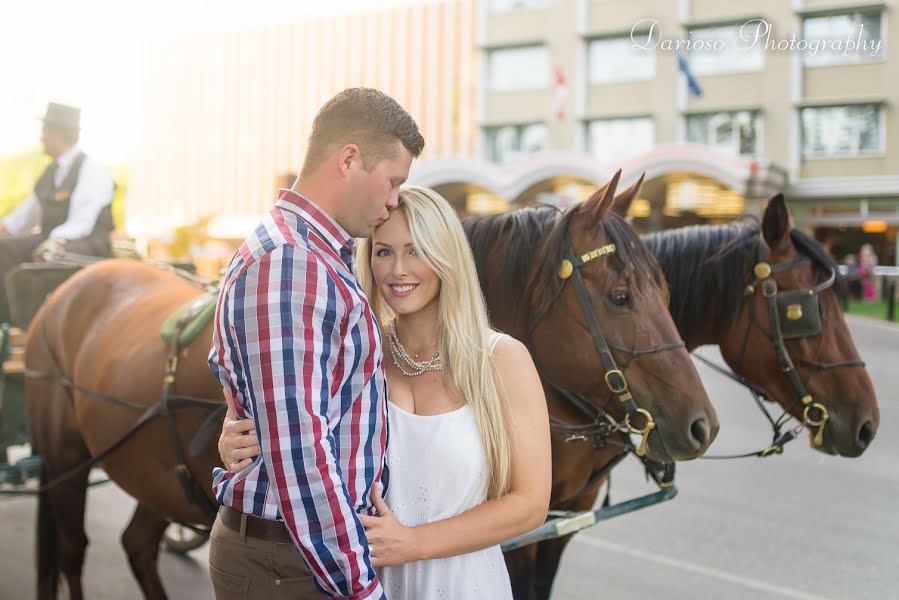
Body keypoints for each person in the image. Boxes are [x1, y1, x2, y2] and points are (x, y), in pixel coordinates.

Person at [218, 185, 551, 599]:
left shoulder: (502, 359)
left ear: (447, 257)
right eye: (383, 251)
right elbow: (293, 422)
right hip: (365, 579)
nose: (398, 270)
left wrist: (413, 544)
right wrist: (234, 435)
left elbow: (531, 504)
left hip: (463, 583)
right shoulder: (355, 351)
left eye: (416, 250)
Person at [207, 88, 422, 600]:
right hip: (292, 564)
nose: (394, 199)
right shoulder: (292, 262)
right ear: (349, 158)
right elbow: (301, 452)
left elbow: (235, 370)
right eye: (393, 180)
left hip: (298, 556)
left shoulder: (311, 251)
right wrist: (361, 588)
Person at [0, 102, 115, 323]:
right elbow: (20, 221)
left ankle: (37, 320)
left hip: (88, 242)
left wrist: (54, 241)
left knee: (49, 254)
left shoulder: (91, 169)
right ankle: (9, 321)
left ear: (56, 133)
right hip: (54, 239)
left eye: (44, 131)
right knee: (4, 249)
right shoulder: (50, 173)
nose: (41, 138)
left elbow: (82, 223)